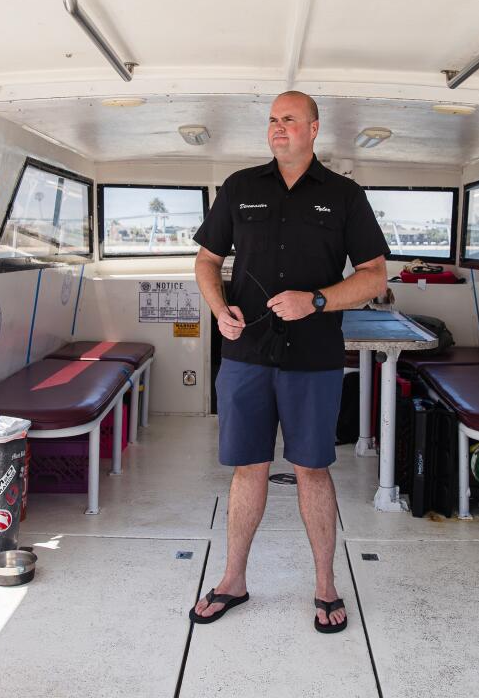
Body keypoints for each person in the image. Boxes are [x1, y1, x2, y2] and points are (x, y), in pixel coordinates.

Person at [190, 90, 389, 633]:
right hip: (245, 353)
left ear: (314, 128)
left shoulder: (344, 195)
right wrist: (217, 308)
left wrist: (317, 300)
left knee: (311, 469)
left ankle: (325, 586)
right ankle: (233, 579)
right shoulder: (240, 188)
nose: (279, 128)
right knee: (247, 467)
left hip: (314, 357)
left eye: (290, 120)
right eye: (273, 120)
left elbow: (374, 275)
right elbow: (208, 260)